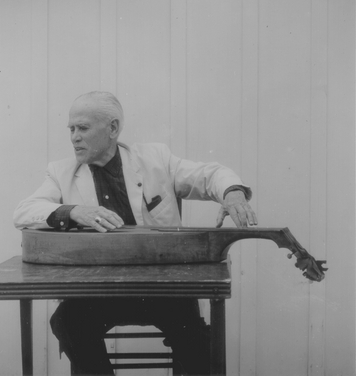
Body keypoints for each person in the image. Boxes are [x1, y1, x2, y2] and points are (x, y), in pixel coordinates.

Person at [14, 91, 257, 375]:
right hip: (98, 293)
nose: (74, 137)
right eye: (71, 129)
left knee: (195, 342)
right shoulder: (60, 172)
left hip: (164, 290)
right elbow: (23, 211)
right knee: (68, 322)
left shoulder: (155, 159)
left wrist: (234, 194)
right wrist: (72, 211)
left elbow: (210, 175)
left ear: (113, 129)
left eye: (83, 128)